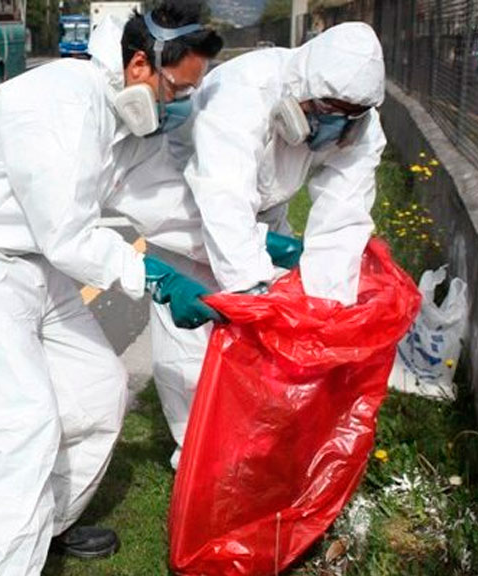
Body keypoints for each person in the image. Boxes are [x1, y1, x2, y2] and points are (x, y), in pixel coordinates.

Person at [0, 3, 222, 574]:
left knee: (98, 388)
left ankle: (43, 526)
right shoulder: (57, 102)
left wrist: (237, 245)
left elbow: (162, 203)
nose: (179, 105)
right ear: (140, 63)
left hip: (30, 265)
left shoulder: (127, 119)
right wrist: (151, 275)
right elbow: (67, 233)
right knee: (20, 427)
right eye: (177, 89)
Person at [147, 22, 388, 470]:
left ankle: (255, 451)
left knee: (264, 351)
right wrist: (252, 288)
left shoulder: (359, 127)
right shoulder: (241, 92)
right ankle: (197, 461)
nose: (334, 124)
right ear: (301, 92)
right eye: (326, 111)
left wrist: (324, 310)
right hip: (192, 211)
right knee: (191, 353)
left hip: (265, 208)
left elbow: (344, 217)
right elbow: (222, 197)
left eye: (348, 115)